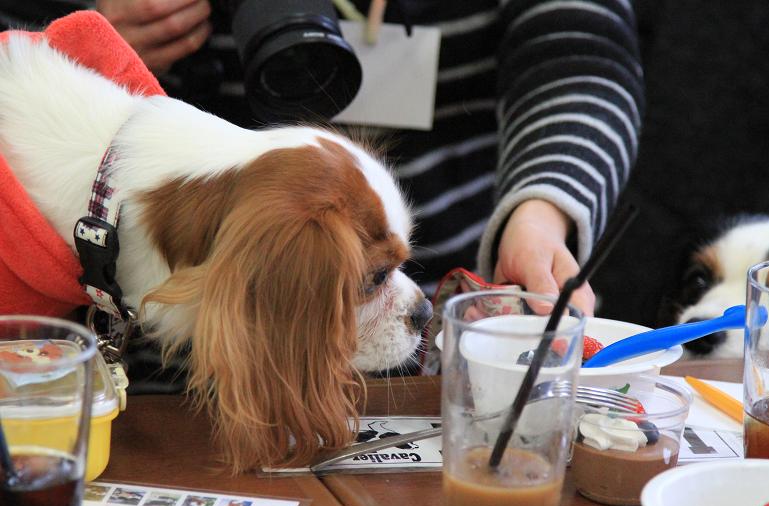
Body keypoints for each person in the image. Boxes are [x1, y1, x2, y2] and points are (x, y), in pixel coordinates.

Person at [1, 0, 642, 353]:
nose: (404, 298)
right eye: (372, 278)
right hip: (149, 342)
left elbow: (581, 49)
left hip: (455, 336)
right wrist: (87, 13)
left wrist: (542, 209)